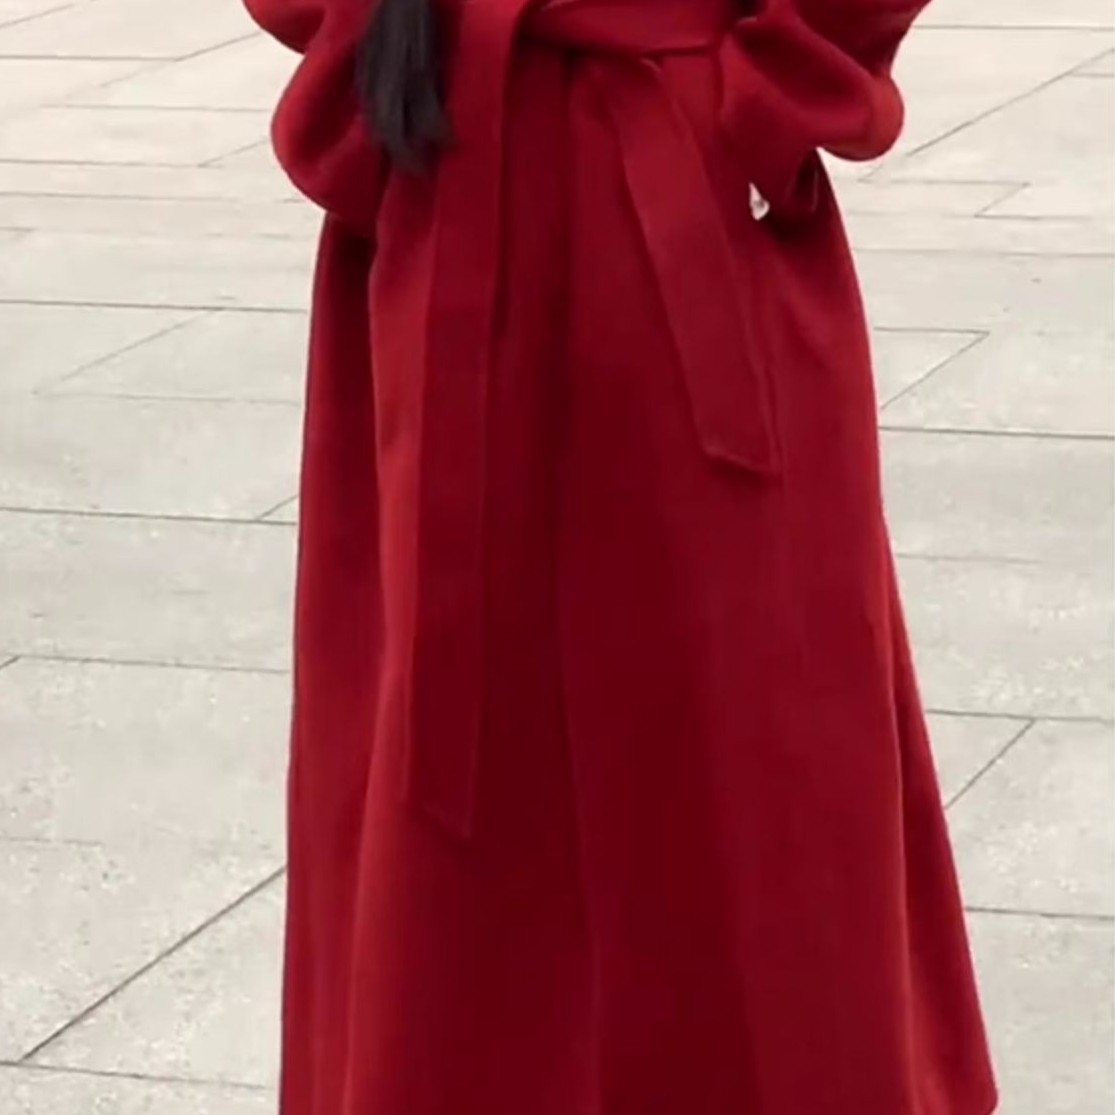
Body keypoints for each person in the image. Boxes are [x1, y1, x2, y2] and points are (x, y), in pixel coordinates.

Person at [245, 0, 998, 1111]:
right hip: (451, 184)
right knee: (462, 769)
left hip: (686, 209)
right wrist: (373, 65)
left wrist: (768, 95)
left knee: (749, 740)